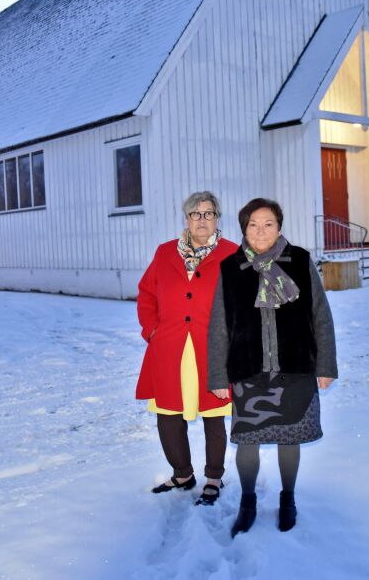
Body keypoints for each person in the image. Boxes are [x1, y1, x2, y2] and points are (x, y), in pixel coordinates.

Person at [207, 197, 338, 537]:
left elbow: (320, 316)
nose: (261, 230)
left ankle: (288, 499)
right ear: (244, 229)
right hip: (248, 368)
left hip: (295, 368)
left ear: (279, 226)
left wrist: (326, 365)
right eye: (253, 224)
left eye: (268, 224)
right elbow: (219, 326)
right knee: (247, 442)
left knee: (289, 438)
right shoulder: (231, 268)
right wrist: (218, 375)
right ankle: (247, 501)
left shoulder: (300, 261)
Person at [136, 191, 238, 506]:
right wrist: (152, 330)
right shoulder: (165, 252)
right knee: (168, 415)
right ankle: (182, 473)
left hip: (212, 349)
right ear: (186, 219)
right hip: (169, 348)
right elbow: (146, 294)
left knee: (213, 415)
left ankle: (213, 477)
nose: (202, 220)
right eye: (195, 214)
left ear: (217, 218)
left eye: (208, 213)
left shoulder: (233, 254)